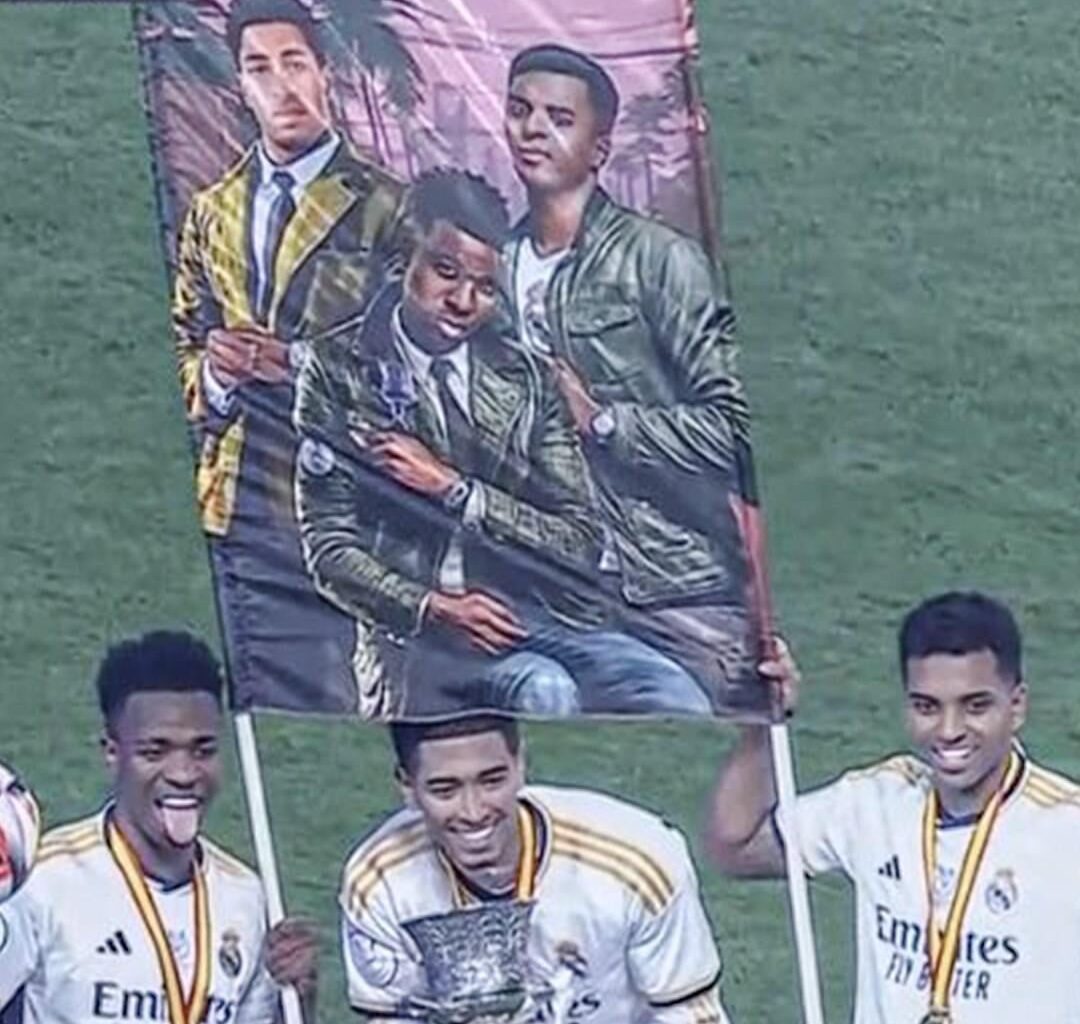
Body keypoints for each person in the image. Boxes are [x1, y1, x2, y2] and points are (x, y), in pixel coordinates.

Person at [294, 168, 707, 719]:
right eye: (446, 273)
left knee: (677, 694)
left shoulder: (526, 378)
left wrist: (458, 491)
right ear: (403, 263)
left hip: (537, 615)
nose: (464, 301)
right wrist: (435, 607)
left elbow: (580, 539)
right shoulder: (337, 369)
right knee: (545, 691)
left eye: (486, 287)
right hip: (423, 634)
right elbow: (330, 550)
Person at [501, 44, 754, 712]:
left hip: (675, 586)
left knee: (686, 716)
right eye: (520, 110)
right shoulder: (488, 268)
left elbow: (734, 431)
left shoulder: (659, 260)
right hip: (548, 589)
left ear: (600, 148)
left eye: (559, 119)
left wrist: (604, 422)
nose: (533, 130)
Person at [172, 0, 408, 712]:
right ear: (240, 84)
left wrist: (299, 364)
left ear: (324, 72)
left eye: (294, 63)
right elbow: (185, 338)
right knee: (244, 688)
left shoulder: (389, 207)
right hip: (233, 499)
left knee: (336, 693)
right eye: (260, 68)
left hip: (339, 500)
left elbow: (417, 357)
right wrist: (215, 374)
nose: (282, 85)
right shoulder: (212, 209)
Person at [708, 591, 1080, 1023]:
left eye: (975, 706)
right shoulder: (874, 803)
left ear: (1016, 706)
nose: (950, 730)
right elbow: (735, 847)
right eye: (927, 707)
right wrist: (759, 724)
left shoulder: (1067, 828)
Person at [0, 630, 319, 1024]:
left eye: (203, 750)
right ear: (112, 753)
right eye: (155, 751)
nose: (183, 774)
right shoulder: (43, 880)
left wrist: (298, 1004)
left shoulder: (246, 896)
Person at [339, 715, 732, 1022]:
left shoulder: (637, 861)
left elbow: (690, 1015)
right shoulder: (379, 882)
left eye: (492, 781)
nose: (473, 812)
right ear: (407, 786)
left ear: (521, 763)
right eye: (445, 789)